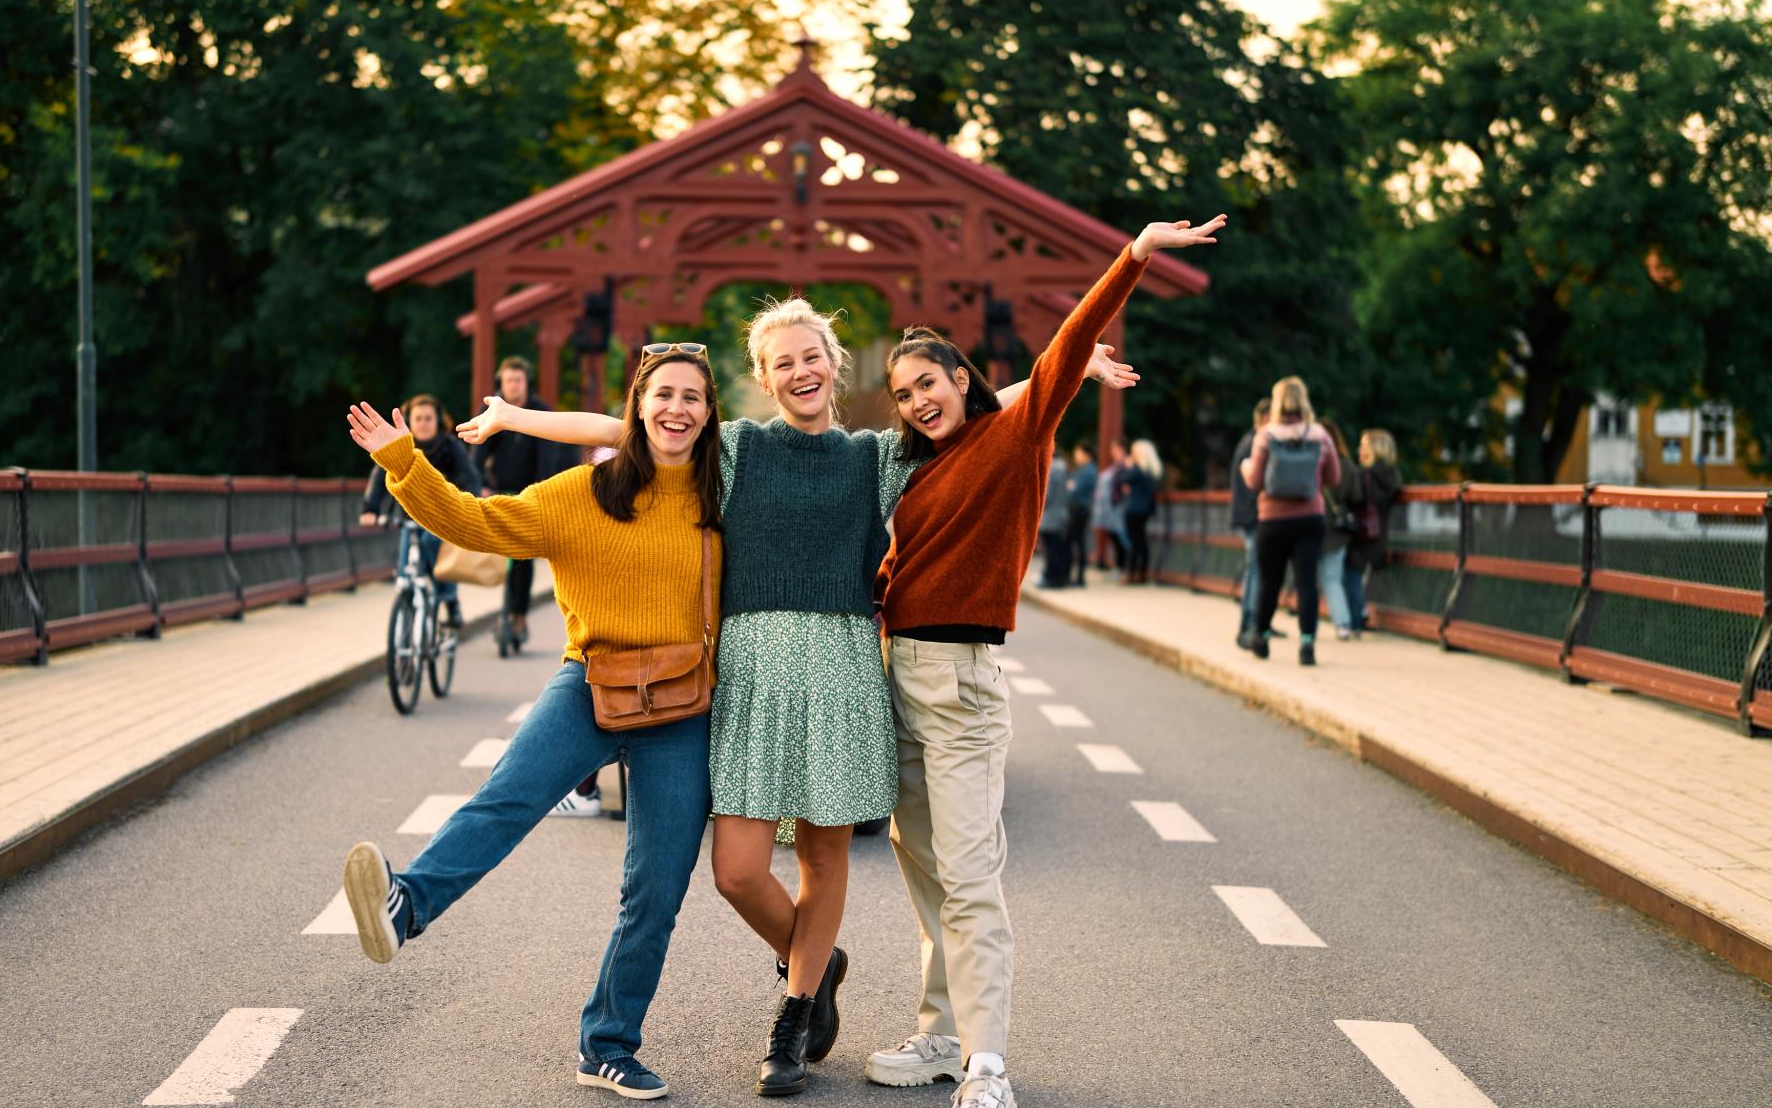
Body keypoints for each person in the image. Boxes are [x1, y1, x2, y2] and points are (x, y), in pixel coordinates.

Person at [458, 309, 1137, 1098]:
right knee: (738, 870)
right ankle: (816, 958)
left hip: (844, 672)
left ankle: (794, 1012)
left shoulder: (877, 458)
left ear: (832, 364)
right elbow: (636, 423)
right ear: (765, 375)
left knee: (823, 856)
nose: (799, 372)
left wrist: (1073, 366)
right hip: (749, 677)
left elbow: (981, 411)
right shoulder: (738, 447)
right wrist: (514, 416)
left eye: (810, 357)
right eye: (782, 363)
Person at [869, 215, 1224, 1108]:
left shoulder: (1017, 435)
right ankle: (940, 1035)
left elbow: (1063, 352)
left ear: (962, 378)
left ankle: (988, 1066)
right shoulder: (912, 470)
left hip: (963, 684)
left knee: (971, 873)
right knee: (921, 865)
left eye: (929, 383)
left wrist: (1133, 257)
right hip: (896, 674)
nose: (916, 400)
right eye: (902, 391)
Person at [338, 346, 721, 1102]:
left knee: (657, 884)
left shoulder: (725, 494)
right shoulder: (580, 492)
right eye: (664, 395)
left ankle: (608, 1045)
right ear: (638, 406)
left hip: (682, 704)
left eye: (694, 399)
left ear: (711, 415)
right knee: (507, 800)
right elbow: (476, 524)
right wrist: (404, 464)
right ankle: (404, 904)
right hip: (589, 683)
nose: (678, 409)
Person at [1238, 376, 1341, 666]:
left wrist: (1246, 468)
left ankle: (1260, 636)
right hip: (1310, 517)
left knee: (1270, 581)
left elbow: (1256, 480)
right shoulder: (1319, 434)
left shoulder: (1267, 435)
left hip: (1273, 520)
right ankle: (1307, 644)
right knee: (1307, 582)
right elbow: (1333, 478)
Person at [360, 394, 482, 626]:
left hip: (442, 517)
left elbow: (470, 478)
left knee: (431, 543)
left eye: (428, 418)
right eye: (418, 418)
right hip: (409, 514)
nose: (424, 423)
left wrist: (470, 505)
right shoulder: (403, 446)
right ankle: (408, 603)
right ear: (409, 421)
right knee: (405, 567)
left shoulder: (450, 447)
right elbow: (379, 476)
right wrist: (370, 508)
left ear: (438, 421)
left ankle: (450, 600)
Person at [471, 355, 567, 648]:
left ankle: (518, 615)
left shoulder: (539, 411)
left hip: (530, 490)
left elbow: (547, 455)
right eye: (508, 380)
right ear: (502, 382)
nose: (513, 386)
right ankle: (504, 609)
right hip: (498, 489)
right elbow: (477, 450)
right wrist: (481, 485)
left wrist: (539, 490)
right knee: (498, 555)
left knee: (523, 559)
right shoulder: (492, 409)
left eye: (518, 380)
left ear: (527, 383)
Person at [1341, 428, 1403, 635]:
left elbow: (1353, 499)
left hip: (1360, 533)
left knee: (1350, 574)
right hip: (1379, 534)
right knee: (1361, 575)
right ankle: (1363, 612)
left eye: (1364, 446)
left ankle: (1357, 618)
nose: (1360, 450)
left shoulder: (1363, 475)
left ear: (1375, 450)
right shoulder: (1393, 477)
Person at [1227, 397, 1271, 643]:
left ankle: (1257, 620)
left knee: (1256, 568)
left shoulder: (1248, 440)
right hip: (1254, 517)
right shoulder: (1256, 443)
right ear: (1266, 418)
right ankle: (1249, 623)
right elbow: (1253, 486)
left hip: (1247, 516)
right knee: (1256, 569)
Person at [1317, 418, 1362, 641]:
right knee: (1333, 578)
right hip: (1338, 529)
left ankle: (1308, 624)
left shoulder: (1312, 461)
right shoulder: (1346, 465)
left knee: (1311, 579)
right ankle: (1343, 624)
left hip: (1314, 526)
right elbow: (1357, 496)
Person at [1113, 438, 1161, 585]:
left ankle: (1132, 573)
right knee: (1141, 542)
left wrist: (1127, 465)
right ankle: (1142, 573)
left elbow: (1119, 479)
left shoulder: (1137, 469)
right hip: (1145, 509)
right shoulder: (1152, 470)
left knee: (1134, 542)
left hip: (1134, 510)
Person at [1036, 451, 1072, 588]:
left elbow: (1047, 496)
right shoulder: (1063, 470)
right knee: (1057, 548)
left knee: (1051, 550)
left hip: (1050, 517)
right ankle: (1059, 577)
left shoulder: (1052, 471)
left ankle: (1052, 579)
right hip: (1060, 515)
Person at [1091, 443, 1129, 572]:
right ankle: (1119, 565)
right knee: (1114, 536)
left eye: (1116, 449)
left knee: (1121, 537)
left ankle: (1123, 566)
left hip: (1120, 507)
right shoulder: (1114, 468)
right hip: (1110, 507)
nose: (1113, 453)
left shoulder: (1126, 467)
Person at [1064, 442, 1096, 585]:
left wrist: (1070, 487)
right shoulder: (1083, 470)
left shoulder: (1088, 471)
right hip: (1078, 509)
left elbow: (1073, 490)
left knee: (1074, 542)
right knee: (1078, 542)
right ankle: (1077, 576)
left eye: (1079, 453)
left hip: (1080, 510)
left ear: (1086, 454)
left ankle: (1077, 577)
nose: (1076, 456)